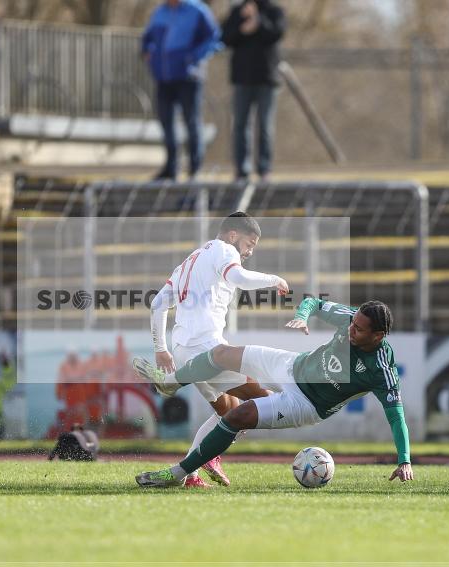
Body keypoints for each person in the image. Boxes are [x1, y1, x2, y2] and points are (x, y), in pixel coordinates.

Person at [134, 298, 413, 487]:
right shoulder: (351, 319)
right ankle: (170, 383)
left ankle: (178, 474)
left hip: (305, 404)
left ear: (378, 336)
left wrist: (404, 460)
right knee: (221, 353)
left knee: (236, 416)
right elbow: (313, 302)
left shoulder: (381, 370)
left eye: (359, 329)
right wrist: (302, 316)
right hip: (291, 365)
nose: (352, 329)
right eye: (352, 324)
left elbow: (396, 417)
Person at [149, 212, 288, 486]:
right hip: (208, 349)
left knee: (227, 411)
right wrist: (275, 279)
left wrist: (161, 349)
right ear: (233, 235)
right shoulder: (225, 250)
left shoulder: (189, 261)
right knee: (265, 400)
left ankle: (191, 473)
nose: (249, 252)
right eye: (250, 244)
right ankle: (203, 457)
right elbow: (240, 278)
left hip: (182, 351)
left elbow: (157, 305)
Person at [142, 0, 220, 181]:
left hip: (189, 77)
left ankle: (195, 168)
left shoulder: (197, 11)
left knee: (191, 122)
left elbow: (213, 38)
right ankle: (171, 167)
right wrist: (147, 52)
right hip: (163, 77)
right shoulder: (159, 12)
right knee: (166, 122)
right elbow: (148, 38)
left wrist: (192, 58)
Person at [221, 0, 286, 182]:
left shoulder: (274, 11)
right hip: (242, 79)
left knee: (265, 125)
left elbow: (276, 34)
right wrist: (242, 29)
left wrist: (257, 20)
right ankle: (242, 169)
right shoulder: (237, 11)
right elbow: (224, 38)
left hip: (267, 78)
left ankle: (264, 169)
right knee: (240, 125)